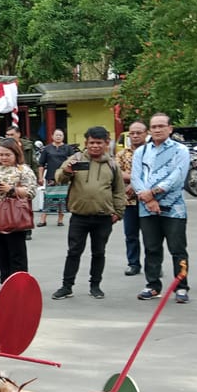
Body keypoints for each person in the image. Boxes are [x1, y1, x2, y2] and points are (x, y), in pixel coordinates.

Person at [51, 126, 124, 301]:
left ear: (106, 144)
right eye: (91, 143)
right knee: (74, 252)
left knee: (99, 253)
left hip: (103, 217)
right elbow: (58, 177)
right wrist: (67, 171)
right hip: (79, 216)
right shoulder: (75, 160)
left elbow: (119, 191)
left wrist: (118, 212)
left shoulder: (112, 165)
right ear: (86, 143)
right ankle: (67, 286)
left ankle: (95, 286)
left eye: (99, 143)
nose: (95, 146)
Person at [133, 114, 192, 304]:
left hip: (174, 208)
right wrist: (147, 198)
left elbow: (177, 176)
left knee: (178, 249)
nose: (157, 130)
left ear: (170, 128)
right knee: (151, 248)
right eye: (154, 127)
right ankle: (152, 285)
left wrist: (154, 193)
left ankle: (181, 287)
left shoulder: (180, 150)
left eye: (161, 126)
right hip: (146, 208)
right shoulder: (141, 152)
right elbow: (136, 178)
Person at [0, 140, 37, 292]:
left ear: (16, 154)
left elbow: (31, 192)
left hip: (15, 214)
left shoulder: (23, 170)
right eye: (1, 154)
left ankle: (20, 282)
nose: (4, 157)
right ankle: (4, 279)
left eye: (8, 154)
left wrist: (11, 189)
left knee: (16, 250)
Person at [118, 122, 148, 276]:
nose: (135, 136)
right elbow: (117, 173)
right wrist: (136, 180)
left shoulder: (152, 152)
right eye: (132, 133)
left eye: (139, 133)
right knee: (131, 234)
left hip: (148, 200)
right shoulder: (122, 154)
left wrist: (135, 184)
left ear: (146, 134)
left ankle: (153, 264)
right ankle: (133, 263)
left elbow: (154, 173)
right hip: (129, 200)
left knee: (151, 236)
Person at [38, 129, 77, 227]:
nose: (58, 137)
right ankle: (43, 220)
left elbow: (74, 162)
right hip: (51, 176)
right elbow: (41, 164)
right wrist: (40, 177)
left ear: (63, 137)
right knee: (48, 198)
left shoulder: (68, 148)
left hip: (64, 177)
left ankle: (60, 220)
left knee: (62, 198)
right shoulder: (47, 149)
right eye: (56, 135)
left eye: (60, 135)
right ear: (52, 136)